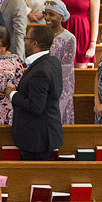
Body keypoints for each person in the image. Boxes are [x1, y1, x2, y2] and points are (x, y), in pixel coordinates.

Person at [7, 25, 62, 161]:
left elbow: (36, 107)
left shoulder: (40, 72)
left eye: (26, 38)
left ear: (35, 43)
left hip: (37, 138)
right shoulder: (52, 61)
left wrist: (12, 94)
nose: (24, 41)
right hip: (42, 133)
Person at [44, 0, 77, 124]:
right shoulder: (42, 33)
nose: (47, 17)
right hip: (44, 81)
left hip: (60, 85)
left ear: (61, 16)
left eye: (51, 14)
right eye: (45, 13)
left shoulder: (69, 38)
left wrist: (50, 83)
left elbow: (66, 69)